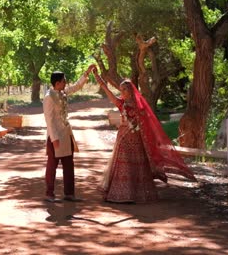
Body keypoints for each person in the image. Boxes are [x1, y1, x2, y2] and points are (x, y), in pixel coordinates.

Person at [92, 67, 196, 203]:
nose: (122, 92)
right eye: (121, 90)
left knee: (137, 166)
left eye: (124, 89)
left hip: (137, 140)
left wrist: (136, 127)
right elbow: (107, 91)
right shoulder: (121, 104)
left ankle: (137, 195)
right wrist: (97, 76)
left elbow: (146, 124)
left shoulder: (139, 107)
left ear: (130, 91)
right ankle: (121, 194)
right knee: (124, 166)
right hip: (123, 139)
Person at [43, 64, 96, 202]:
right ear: (57, 83)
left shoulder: (63, 92)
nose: (66, 83)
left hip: (66, 134)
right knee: (52, 165)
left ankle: (69, 193)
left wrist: (86, 73)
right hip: (55, 136)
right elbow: (49, 119)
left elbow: (76, 86)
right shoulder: (49, 97)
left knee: (69, 165)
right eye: (64, 81)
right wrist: (54, 138)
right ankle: (49, 194)